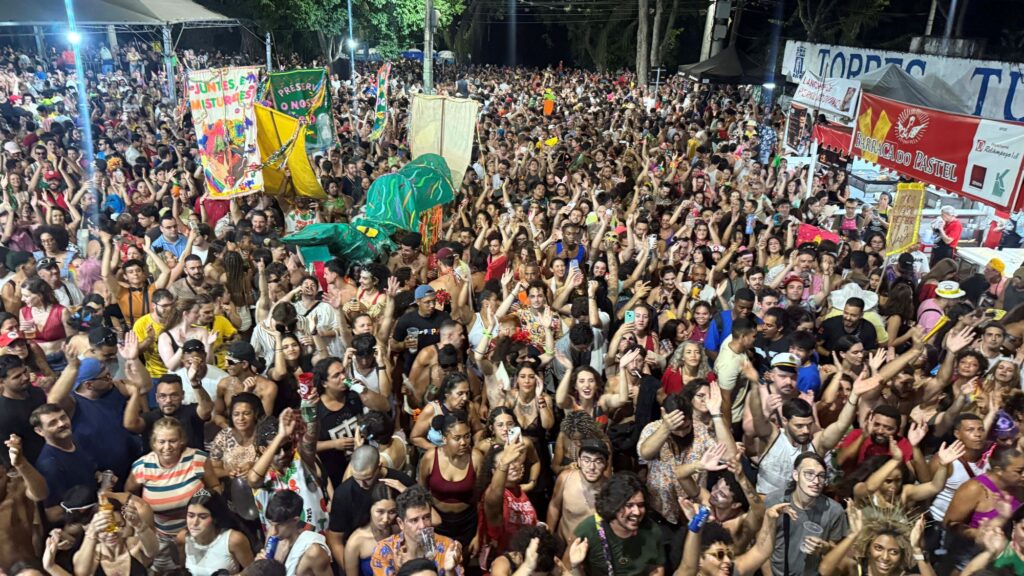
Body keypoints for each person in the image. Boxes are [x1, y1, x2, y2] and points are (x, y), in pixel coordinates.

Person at [327, 445, 416, 566]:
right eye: (357, 478)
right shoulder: (343, 494)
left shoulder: (401, 483)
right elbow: (335, 539)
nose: (361, 484)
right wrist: (349, 567)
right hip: (361, 556)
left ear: (379, 466)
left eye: (367, 479)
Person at [764, 452, 849, 576]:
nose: (816, 481)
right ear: (796, 475)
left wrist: (825, 547)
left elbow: (837, 555)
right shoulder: (775, 501)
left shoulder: (834, 510)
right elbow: (762, 546)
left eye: (821, 476)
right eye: (809, 474)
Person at [567, 471, 664, 575]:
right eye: (629, 505)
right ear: (613, 505)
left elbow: (657, 569)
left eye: (640, 505)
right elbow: (566, 570)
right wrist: (576, 566)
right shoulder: (588, 530)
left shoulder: (652, 530)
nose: (637, 512)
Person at [369, 485, 464, 576]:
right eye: (414, 520)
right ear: (401, 523)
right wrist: (402, 571)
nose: (422, 526)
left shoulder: (448, 547)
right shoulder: (384, 552)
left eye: (426, 517)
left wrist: (450, 572)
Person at [819, 506, 933, 576]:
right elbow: (824, 570)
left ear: (902, 555)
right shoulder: (856, 570)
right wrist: (853, 535)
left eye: (894, 552)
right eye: (878, 548)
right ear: (868, 548)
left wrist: (917, 549)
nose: (885, 557)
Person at [177, 489, 255, 575]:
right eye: (191, 516)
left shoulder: (234, 540)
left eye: (202, 517)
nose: (195, 522)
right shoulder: (183, 538)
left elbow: (252, 573)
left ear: (215, 518)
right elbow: (182, 571)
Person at [262, 490, 333, 576]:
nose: (274, 532)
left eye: (279, 525)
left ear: (295, 520)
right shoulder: (272, 537)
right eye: (271, 524)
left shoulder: (313, 552)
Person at [343, 483, 400, 576]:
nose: (385, 519)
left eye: (392, 512)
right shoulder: (355, 542)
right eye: (380, 512)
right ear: (369, 509)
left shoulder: (398, 531)